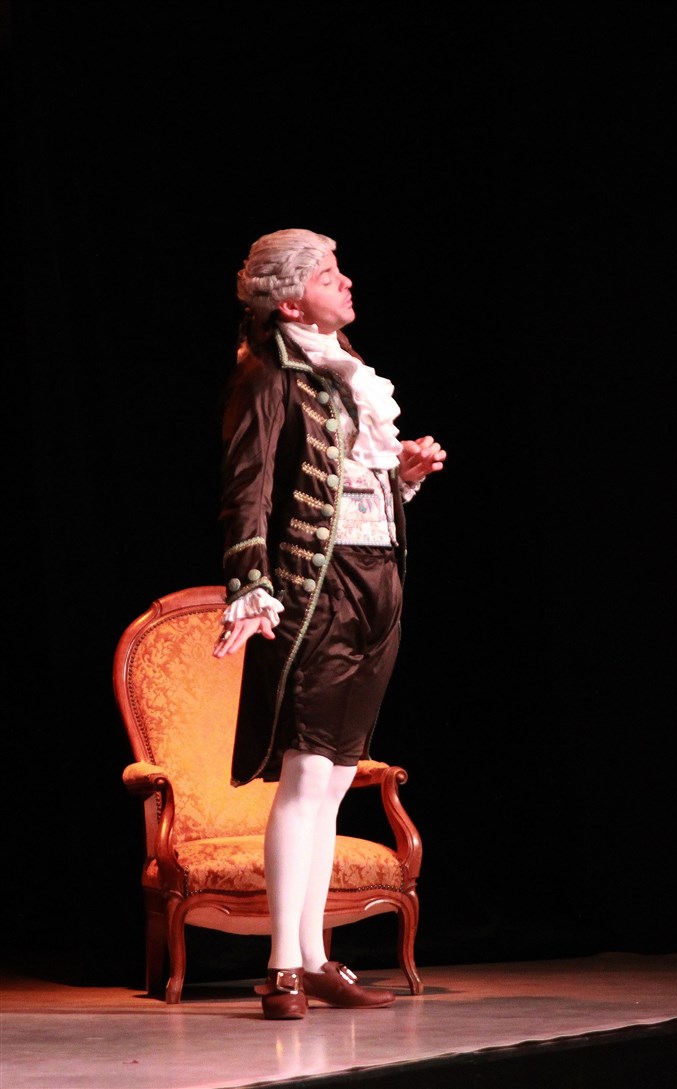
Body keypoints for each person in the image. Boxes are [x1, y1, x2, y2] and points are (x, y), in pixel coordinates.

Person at [212, 228, 445, 1020]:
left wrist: (401, 474)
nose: (345, 283)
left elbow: (348, 481)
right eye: (327, 274)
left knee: (339, 776)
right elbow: (247, 488)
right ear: (288, 302)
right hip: (320, 589)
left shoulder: (344, 369)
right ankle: (282, 965)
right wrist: (250, 586)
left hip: (380, 581)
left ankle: (314, 957)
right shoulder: (268, 374)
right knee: (308, 774)